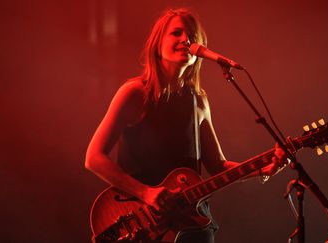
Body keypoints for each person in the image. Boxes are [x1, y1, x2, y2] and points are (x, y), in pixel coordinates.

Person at [85, 8, 286, 243]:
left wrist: (264, 168)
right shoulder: (135, 93)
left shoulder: (199, 100)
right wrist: (146, 193)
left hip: (192, 224)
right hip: (141, 222)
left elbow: (217, 165)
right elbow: (93, 158)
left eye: (191, 35)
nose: (185, 40)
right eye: (176, 33)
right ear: (157, 45)